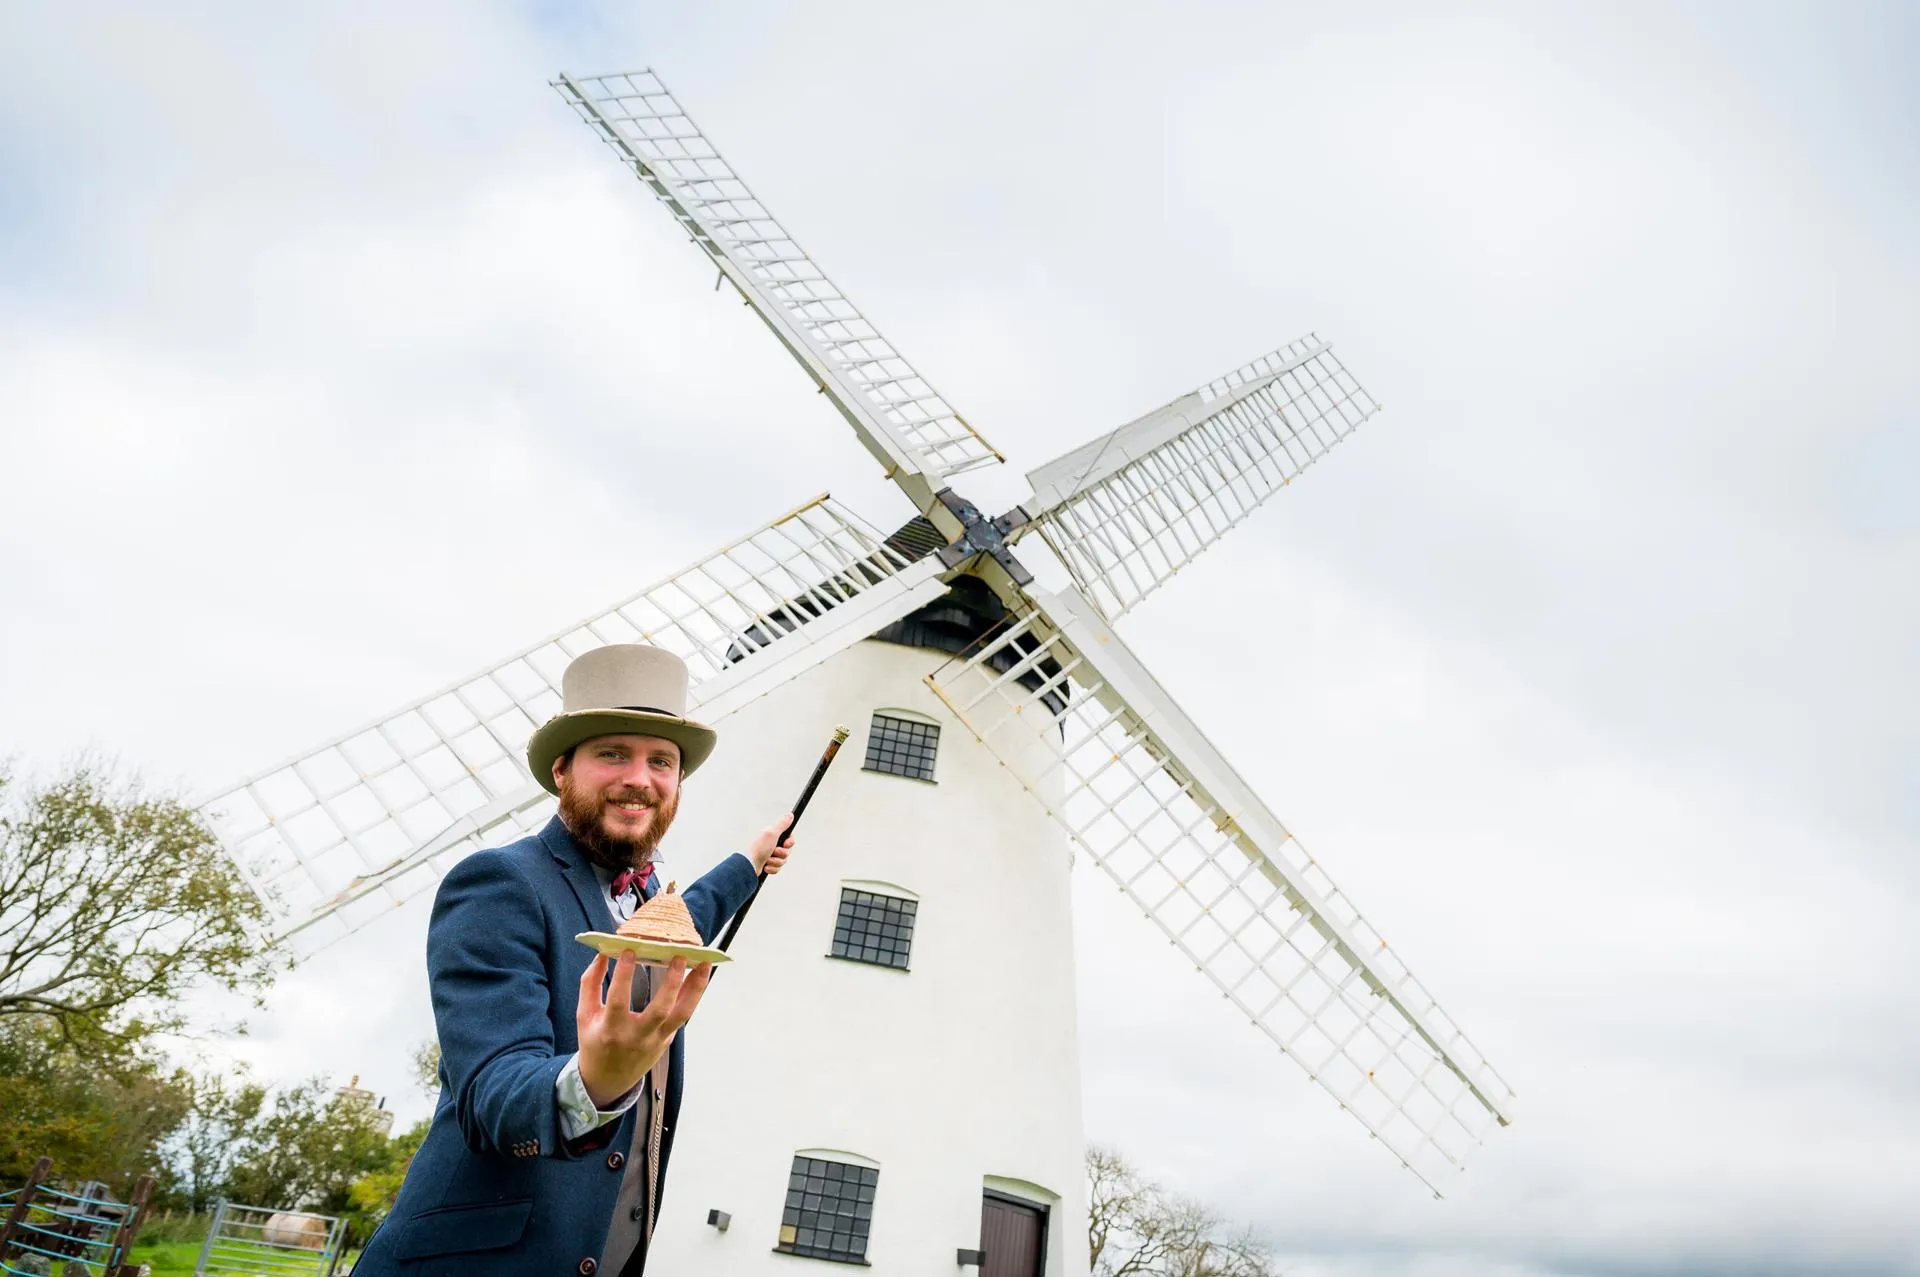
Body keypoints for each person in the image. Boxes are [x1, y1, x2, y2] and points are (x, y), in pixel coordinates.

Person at [353, 643, 792, 1277]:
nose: (639, 777)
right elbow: (493, 1092)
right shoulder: (500, 883)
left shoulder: (647, 905)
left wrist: (748, 864)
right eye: (613, 753)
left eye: (661, 761)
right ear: (563, 770)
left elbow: (686, 917)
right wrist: (594, 1080)